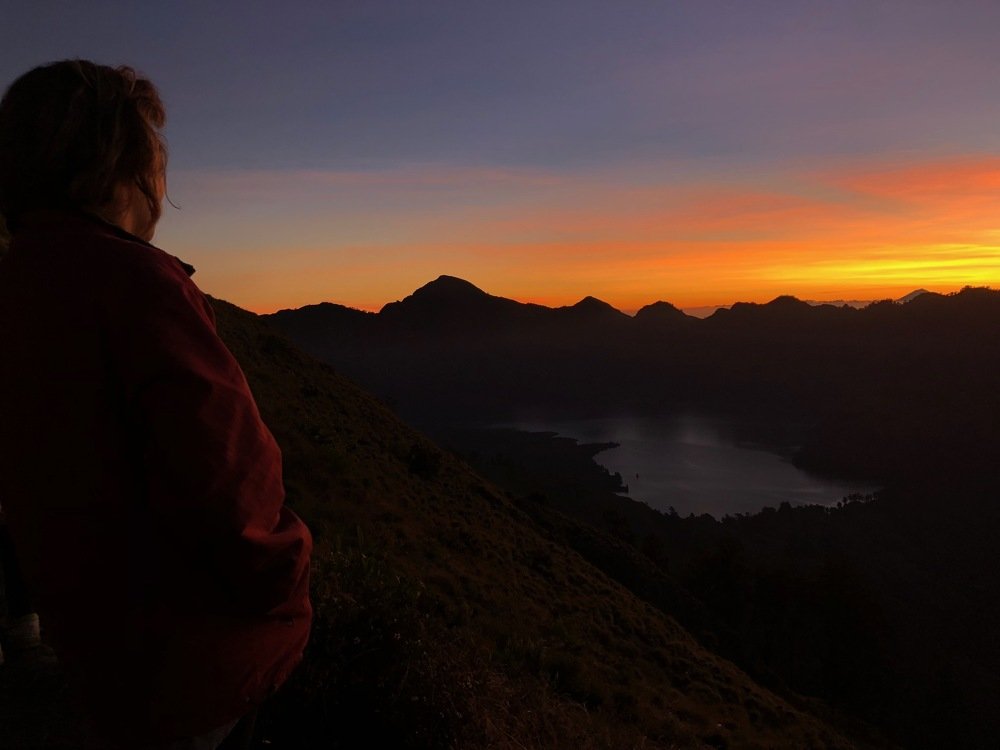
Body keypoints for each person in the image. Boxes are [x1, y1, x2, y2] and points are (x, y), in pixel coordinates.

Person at [0, 60, 312, 749]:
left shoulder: (19, 279)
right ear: (122, 167)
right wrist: (290, 580)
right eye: (155, 156)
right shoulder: (136, 285)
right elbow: (229, 483)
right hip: (187, 669)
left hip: (93, 650)